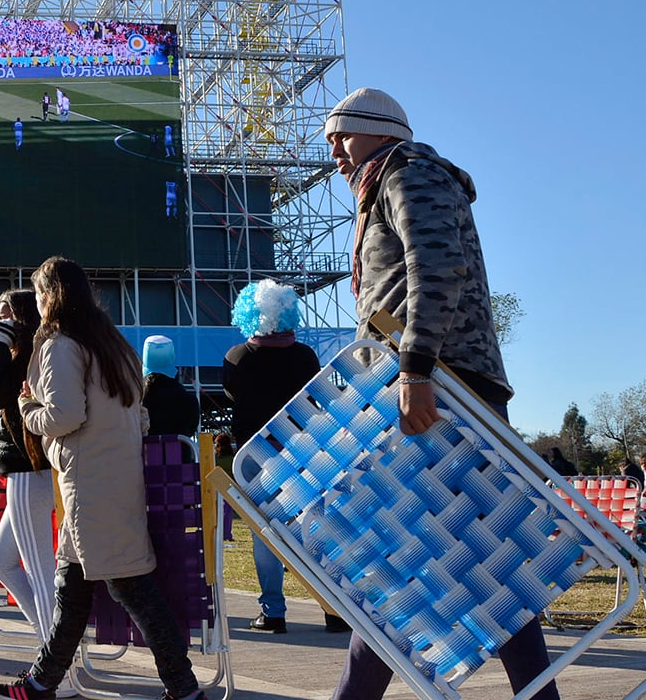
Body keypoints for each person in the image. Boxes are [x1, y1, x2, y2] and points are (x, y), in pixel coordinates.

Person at [325, 87, 558, 700]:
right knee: (467, 561)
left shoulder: (410, 172)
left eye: (342, 136)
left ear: (379, 129)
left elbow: (436, 268)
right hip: (435, 384)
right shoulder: (387, 180)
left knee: (421, 558)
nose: (336, 153)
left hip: (445, 388)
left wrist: (414, 370)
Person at [0, 256, 207, 700]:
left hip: (87, 483)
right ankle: (42, 682)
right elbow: (139, 415)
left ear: (49, 296)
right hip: (115, 478)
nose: (38, 303)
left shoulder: (60, 344)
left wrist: (27, 408)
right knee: (73, 592)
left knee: (133, 590)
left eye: (40, 294)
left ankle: (185, 690)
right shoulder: (113, 343)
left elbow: (64, 416)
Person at [223, 280, 344, 634]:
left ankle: (273, 612)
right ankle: (333, 610)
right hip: (302, 450)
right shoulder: (305, 356)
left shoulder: (237, 357)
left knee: (265, 531)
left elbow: (231, 394)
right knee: (313, 526)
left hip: (255, 454)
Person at [0, 289, 73, 696]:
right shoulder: (29, 351)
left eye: (5, 313)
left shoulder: (27, 351)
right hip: (26, 468)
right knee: (2, 562)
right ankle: (49, 655)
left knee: (40, 571)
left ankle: (55, 674)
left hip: (30, 468)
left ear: (20, 317)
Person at [141, 335, 199, 436]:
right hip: (178, 446)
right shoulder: (188, 400)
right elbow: (190, 430)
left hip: (141, 446)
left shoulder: (134, 400)